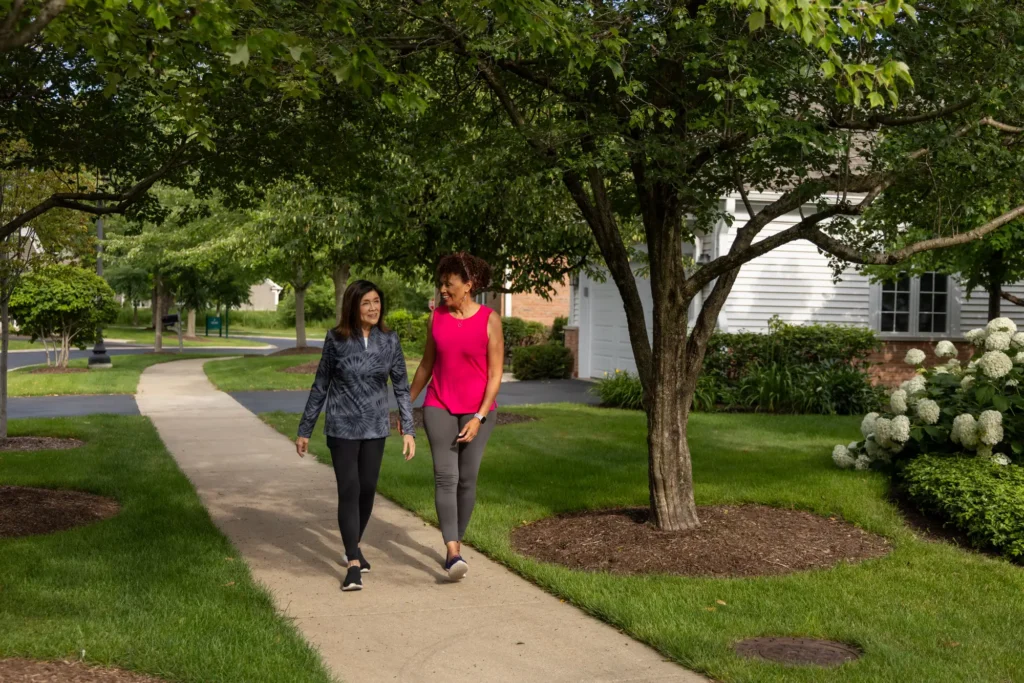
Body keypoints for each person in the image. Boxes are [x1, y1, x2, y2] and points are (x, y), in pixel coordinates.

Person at [296, 280, 416, 592]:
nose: (374, 308)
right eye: (366, 303)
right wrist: (305, 429)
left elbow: (401, 387)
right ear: (353, 306)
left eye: (377, 301)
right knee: (349, 489)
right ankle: (352, 562)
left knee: (367, 489)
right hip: (342, 427)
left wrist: (408, 428)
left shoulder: (389, 340)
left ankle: (355, 544)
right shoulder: (335, 339)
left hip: (375, 428)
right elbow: (320, 385)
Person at [409, 253, 504, 581]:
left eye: (449, 284)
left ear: (468, 285)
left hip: (478, 409)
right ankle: (452, 552)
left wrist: (478, 416)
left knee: (467, 479)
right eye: (442, 284)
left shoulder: (490, 319)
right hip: (439, 404)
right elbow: (426, 365)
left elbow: (495, 375)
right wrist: (407, 401)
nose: (443, 290)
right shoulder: (436, 318)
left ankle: (457, 540)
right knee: (445, 477)